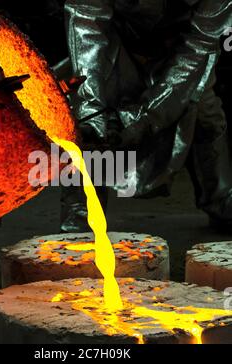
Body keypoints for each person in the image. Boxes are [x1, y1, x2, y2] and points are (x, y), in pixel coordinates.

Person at [61, 0, 232, 232]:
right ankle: (81, 210)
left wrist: (146, 117)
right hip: (114, 44)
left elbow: (199, 46)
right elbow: (86, 23)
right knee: (86, 119)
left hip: (179, 50)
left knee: (205, 111)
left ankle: (221, 198)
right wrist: (90, 104)